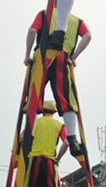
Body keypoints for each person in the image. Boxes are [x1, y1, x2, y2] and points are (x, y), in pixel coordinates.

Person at [24, 9, 92, 155]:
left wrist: (27, 54)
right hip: (63, 57)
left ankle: (30, 135)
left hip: (42, 54)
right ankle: (72, 138)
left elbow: (32, 31)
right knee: (66, 97)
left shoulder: (44, 13)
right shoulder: (76, 20)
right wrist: (74, 56)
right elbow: (88, 36)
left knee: (35, 94)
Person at [16, 101, 69, 187]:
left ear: (42, 110)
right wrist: (58, 158)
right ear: (54, 112)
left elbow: (21, 138)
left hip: (34, 161)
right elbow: (67, 143)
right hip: (49, 162)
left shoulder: (35, 122)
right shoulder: (59, 125)